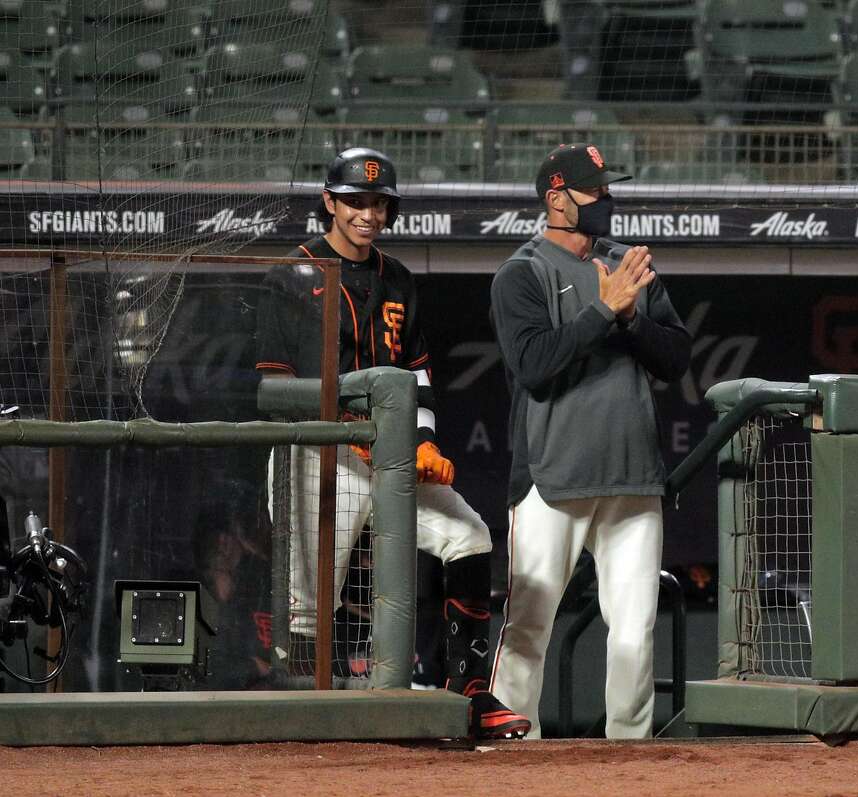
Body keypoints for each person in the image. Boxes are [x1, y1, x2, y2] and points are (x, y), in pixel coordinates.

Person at [255, 147, 530, 739]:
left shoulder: (399, 278)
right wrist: (347, 426)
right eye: (356, 201)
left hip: (393, 455)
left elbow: (420, 374)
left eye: (379, 204)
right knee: (309, 606)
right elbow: (271, 389)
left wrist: (424, 442)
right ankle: (305, 725)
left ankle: (469, 695)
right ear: (329, 202)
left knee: (470, 536)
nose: (368, 214)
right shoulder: (291, 272)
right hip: (317, 454)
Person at [488, 142, 692, 738]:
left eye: (608, 188)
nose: (608, 199)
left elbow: (675, 358)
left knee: (634, 628)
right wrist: (603, 311)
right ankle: (510, 742)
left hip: (632, 476)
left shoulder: (628, 265)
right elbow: (533, 365)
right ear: (556, 198)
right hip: (552, 477)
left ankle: (629, 751)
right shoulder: (521, 272)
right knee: (529, 624)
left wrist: (630, 317)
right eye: (595, 191)